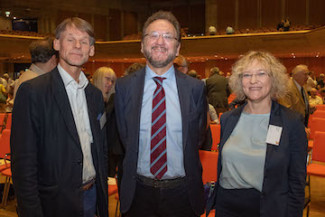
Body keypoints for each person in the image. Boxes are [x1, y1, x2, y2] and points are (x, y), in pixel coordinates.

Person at [11, 17, 108, 217]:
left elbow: (100, 150)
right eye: (70, 39)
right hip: (53, 203)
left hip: (92, 198)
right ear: (57, 44)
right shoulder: (33, 92)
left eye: (84, 41)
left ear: (91, 50)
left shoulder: (95, 95)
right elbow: (24, 164)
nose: (77, 46)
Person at [114, 11, 207, 217]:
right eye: (153, 35)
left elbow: (198, 137)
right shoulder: (123, 87)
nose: (160, 41)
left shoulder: (195, 88)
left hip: (182, 194)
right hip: (138, 193)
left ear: (178, 48)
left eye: (167, 36)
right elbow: (124, 137)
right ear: (142, 45)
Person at [206, 50, 307, 217]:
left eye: (261, 73)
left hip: (268, 208)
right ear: (240, 81)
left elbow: (297, 182)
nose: (253, 81)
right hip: (227, 206)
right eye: (247, 75)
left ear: (273, 79)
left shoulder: (291, 122)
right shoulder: (229, 119)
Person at [92, 66, 124, 192]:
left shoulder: (113, 100)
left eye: (112, 80)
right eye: (107, 79)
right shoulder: (90, 99)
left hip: (109, 153)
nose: (110, 83)